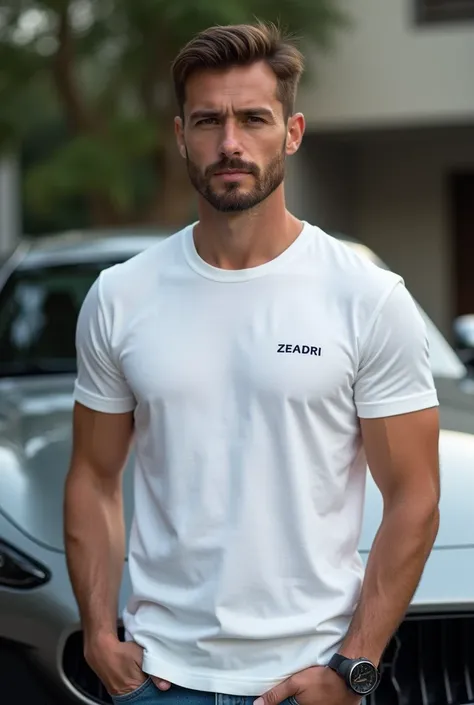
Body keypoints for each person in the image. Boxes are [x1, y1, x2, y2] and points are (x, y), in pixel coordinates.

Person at [64, 21, 441, 705]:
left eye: (253, 119)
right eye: (208, 121)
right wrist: (97, 633)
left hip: (308, 680)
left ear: (292, 132)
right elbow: (94, 476)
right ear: (180, 134)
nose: (230, 143)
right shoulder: (121, 296)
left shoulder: (366, 297)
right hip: (159, 679)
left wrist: (354, 665)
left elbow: (414, 497)